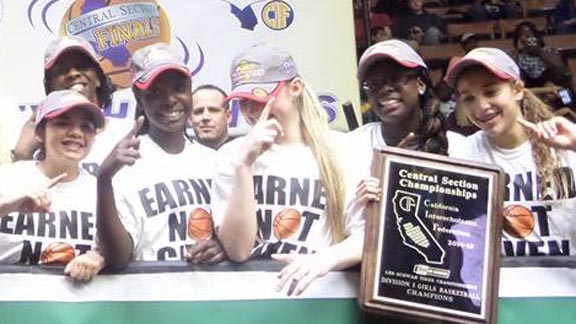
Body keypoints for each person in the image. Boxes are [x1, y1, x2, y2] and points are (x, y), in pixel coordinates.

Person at [213, 43, 364, 296]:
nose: (251, 111)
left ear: (295, 88)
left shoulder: (340, 149)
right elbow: (237, 250)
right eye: (243, 102)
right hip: (253, 297)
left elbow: (365, 236)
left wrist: (323, 260)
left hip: (322, 295)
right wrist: (244, 165)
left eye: (259, 99)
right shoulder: (232, 154)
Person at [96, 43, 224, 270]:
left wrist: (223, 246)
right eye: (155, 92)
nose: (170, 99)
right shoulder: (124, 164)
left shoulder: (215, 161)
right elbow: (117, 258)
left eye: (179, 88)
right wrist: (104, 178)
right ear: (139, 97)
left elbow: (240, 240)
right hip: (153, 299)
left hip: (211, 297)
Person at [445, 47, 576, 257]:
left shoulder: (565, 143)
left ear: (517, 89)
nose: (481, 107)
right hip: (503, 286)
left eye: (491, 92)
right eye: (468, 98)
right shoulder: (461, 152)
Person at [0, 90, 107, 281]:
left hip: (74, 306)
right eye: (62, 123)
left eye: (86, 127)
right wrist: (7, 206)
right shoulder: (7, 177)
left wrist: (100, 257)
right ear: (40, 133)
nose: (76, 133)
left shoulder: (102, 192)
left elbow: (122, 251)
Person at [11, 36, 115, 171]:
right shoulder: (31, 135)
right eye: (62, 70)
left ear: (98, 79)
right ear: (50, 87)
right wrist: (22, 156)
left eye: (82, 66)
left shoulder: (125, 133)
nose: (73, 73)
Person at [512, 21, 571, 89]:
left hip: (548, 84)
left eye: (529, 35)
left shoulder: (549, 51)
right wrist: (517, 51)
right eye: (522, 35)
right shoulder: (515, 55)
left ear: (536, 36)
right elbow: (509, 71)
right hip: (526, 86)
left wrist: (539, 52)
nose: (527, 39)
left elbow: (560, 68)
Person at [189, 84, 231, 149]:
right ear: (190, 119)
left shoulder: (248, 153)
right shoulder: (179, 158)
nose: (205, 117)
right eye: (199, 111)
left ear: (228, 117)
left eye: (213, 110)